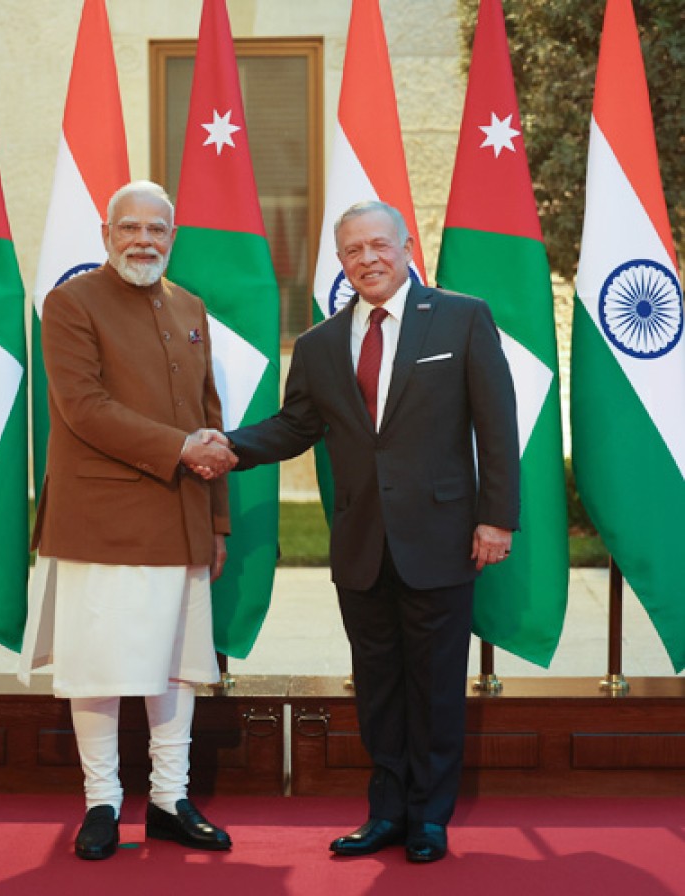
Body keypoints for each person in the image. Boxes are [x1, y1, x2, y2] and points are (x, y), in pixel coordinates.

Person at [220, 200, 520, 863]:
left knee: (435, 687)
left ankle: (429, 818)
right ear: (341, 261)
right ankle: (386, 812)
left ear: (407, 248)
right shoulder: (322, 344)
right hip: (361, 543)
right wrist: (227, 447)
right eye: (354, 250)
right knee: (378, 685)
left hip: (442, 538)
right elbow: (294, 426)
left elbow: (497, 425)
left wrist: (497, 516)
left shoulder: (462, 318)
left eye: (379, 245)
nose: (368, 259)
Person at [19, 180, 238, 861]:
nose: (143, 240)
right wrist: (182, 449)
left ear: (172, 237)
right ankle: (102, 803)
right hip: (101, 522)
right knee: (99, 667)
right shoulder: (70, 303)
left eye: (156, 229)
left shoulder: (190, 306)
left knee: (177, 665)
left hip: (181, 517)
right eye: (130, 227)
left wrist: (218, 523)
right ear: (106, 234)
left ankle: (170, 799)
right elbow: (83, 407)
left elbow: (208, 415)